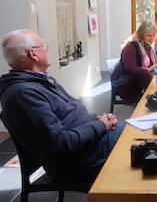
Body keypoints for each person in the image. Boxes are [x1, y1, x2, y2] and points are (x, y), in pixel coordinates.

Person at [0, 29, 123, 183]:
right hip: (80, 162)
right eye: (44, 45)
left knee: (142, 134)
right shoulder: (22, 95)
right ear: (33, 53)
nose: (47, 49)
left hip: (89, 145)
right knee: (142, 144)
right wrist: (101, 125)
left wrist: (97, 119)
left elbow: (71, 111)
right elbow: (61, 144)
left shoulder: (40, 80)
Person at [111, 21, 157, 103]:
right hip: (126, 86)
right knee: (141, 74)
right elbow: (131, 69)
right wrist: (150, 69)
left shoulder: (151, 47)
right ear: (141, 35)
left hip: (142, 83)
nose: (152, 38)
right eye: (149, 35)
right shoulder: (131, 47)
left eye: (154, 35)